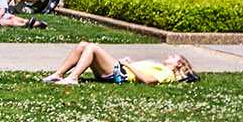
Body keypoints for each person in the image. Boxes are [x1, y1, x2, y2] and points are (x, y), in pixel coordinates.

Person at [42, 42, 199, 86]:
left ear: (178, 64)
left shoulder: (167, 73)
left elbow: (149, 81)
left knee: (92, 48)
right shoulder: (163, 68)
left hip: (121, 74)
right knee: (83, 45)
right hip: (122, 69)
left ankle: (74, 77)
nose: (169, 56)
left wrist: (128, 65)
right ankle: (58, 75)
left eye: (173, 56)